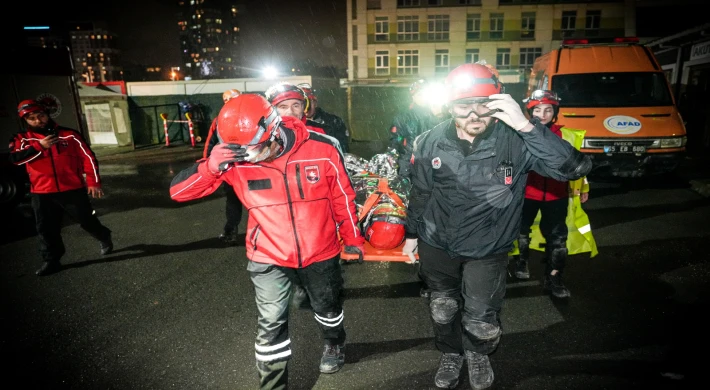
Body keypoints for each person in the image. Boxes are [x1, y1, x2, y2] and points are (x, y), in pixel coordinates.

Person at [401, 63, 592, 390]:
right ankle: (451, 353)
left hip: (488, 247)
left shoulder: (516, 140)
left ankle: (478, 353)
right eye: (464, 105)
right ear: (450, 107)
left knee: (480, 316)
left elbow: (575, 168)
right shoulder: (428, 141)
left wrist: (526, 125)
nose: (474, 114)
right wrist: (411, 234)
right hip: (437, 242)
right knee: (442, 307)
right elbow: (421, 192)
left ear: (499, 102)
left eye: (484, 104)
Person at [169, 93, 365, 389]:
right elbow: (178, 193)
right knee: (271, 325)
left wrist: (353, 238)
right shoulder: (236, 158)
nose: (248, 156)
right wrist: (210, 166)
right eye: (241, 150)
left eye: (254, 148)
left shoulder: (322, 148)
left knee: (327, 307)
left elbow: (343, 197)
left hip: (320, 250)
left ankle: (335, 342)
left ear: (273, 130)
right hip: (268, 256)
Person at [9, 99, 114, 276]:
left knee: (87, 221)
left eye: (40, 115)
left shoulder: (69, 134)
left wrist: (93, 182)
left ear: (47, 114)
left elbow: (88, 158)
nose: (37, 121)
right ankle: (52, 260)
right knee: (46, 228)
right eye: (31, 118)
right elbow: (16, 160)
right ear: (25, 121)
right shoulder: (21, 139)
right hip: (42, 193)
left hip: (72, 189)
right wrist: (39, 147)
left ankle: (104, 236)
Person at [513, 90, 591, 299]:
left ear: (555, 112)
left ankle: (554, 278)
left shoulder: (567, 135)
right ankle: (521, 262)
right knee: (521, 230)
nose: (543, 114)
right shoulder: (521, 133)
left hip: (557, 194)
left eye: (548, 110)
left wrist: (583, 187)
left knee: (558, 239)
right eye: (537, 110)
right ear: (530, 112)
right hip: (527, 193)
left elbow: (577, 165)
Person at [203, 88, 243, 244]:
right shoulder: (219, 120)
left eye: (232, 99)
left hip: (253, 166)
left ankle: (267, 233)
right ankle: (230, 231)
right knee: (233, 201)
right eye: (226, 100)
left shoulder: (254, 115)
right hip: (231, 168)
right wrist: (206, 164)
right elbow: (210, 143)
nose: (229, 102)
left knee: (259, 200)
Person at [389, 79, 446, 178]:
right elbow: (395, 140)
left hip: (435, 164)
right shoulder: (403, 117)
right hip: (408, 165)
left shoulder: (441, 115)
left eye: (425, 94)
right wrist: (394, 161)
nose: (423, 98)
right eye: (420, 95)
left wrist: (439, 117)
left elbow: (444, 139)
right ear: (413, 97)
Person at [297, 83, 351, 153]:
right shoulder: (292, 124)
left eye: (309, 102)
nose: (306, 107)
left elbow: (342, 150)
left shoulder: (334, 122)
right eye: (302, 104)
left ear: (315, 103)